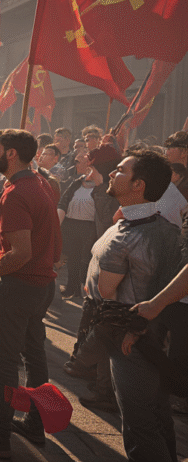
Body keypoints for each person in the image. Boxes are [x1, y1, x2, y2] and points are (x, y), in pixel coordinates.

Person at [0, 129, 61, 459]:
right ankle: (34, 422)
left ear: (11, 155)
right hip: (42, 284)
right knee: (35, 356)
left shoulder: (16, 193)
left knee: (2, 364)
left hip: (18, 286)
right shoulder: (40, 183)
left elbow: (20, 251)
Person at [84, 150, 182, 461]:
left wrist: (131, 329)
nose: (112, 173)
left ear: (138, 184)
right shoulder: (165, 227)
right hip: (151, 333)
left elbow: (108, 292)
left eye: (121, 170)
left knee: (139, 426)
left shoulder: (128, 235)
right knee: (157, 416)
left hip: (129, 336)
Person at [57, 150, 100, 301]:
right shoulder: (76, 183)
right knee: (73, 257)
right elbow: (63, 202)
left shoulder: (100, 185)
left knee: (85, 258)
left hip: (89, 227)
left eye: (78, 161)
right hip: (71, 225)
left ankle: (85, 289)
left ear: (89, 163)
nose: (74, 164)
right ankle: (72, 288)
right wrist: (57, 225)